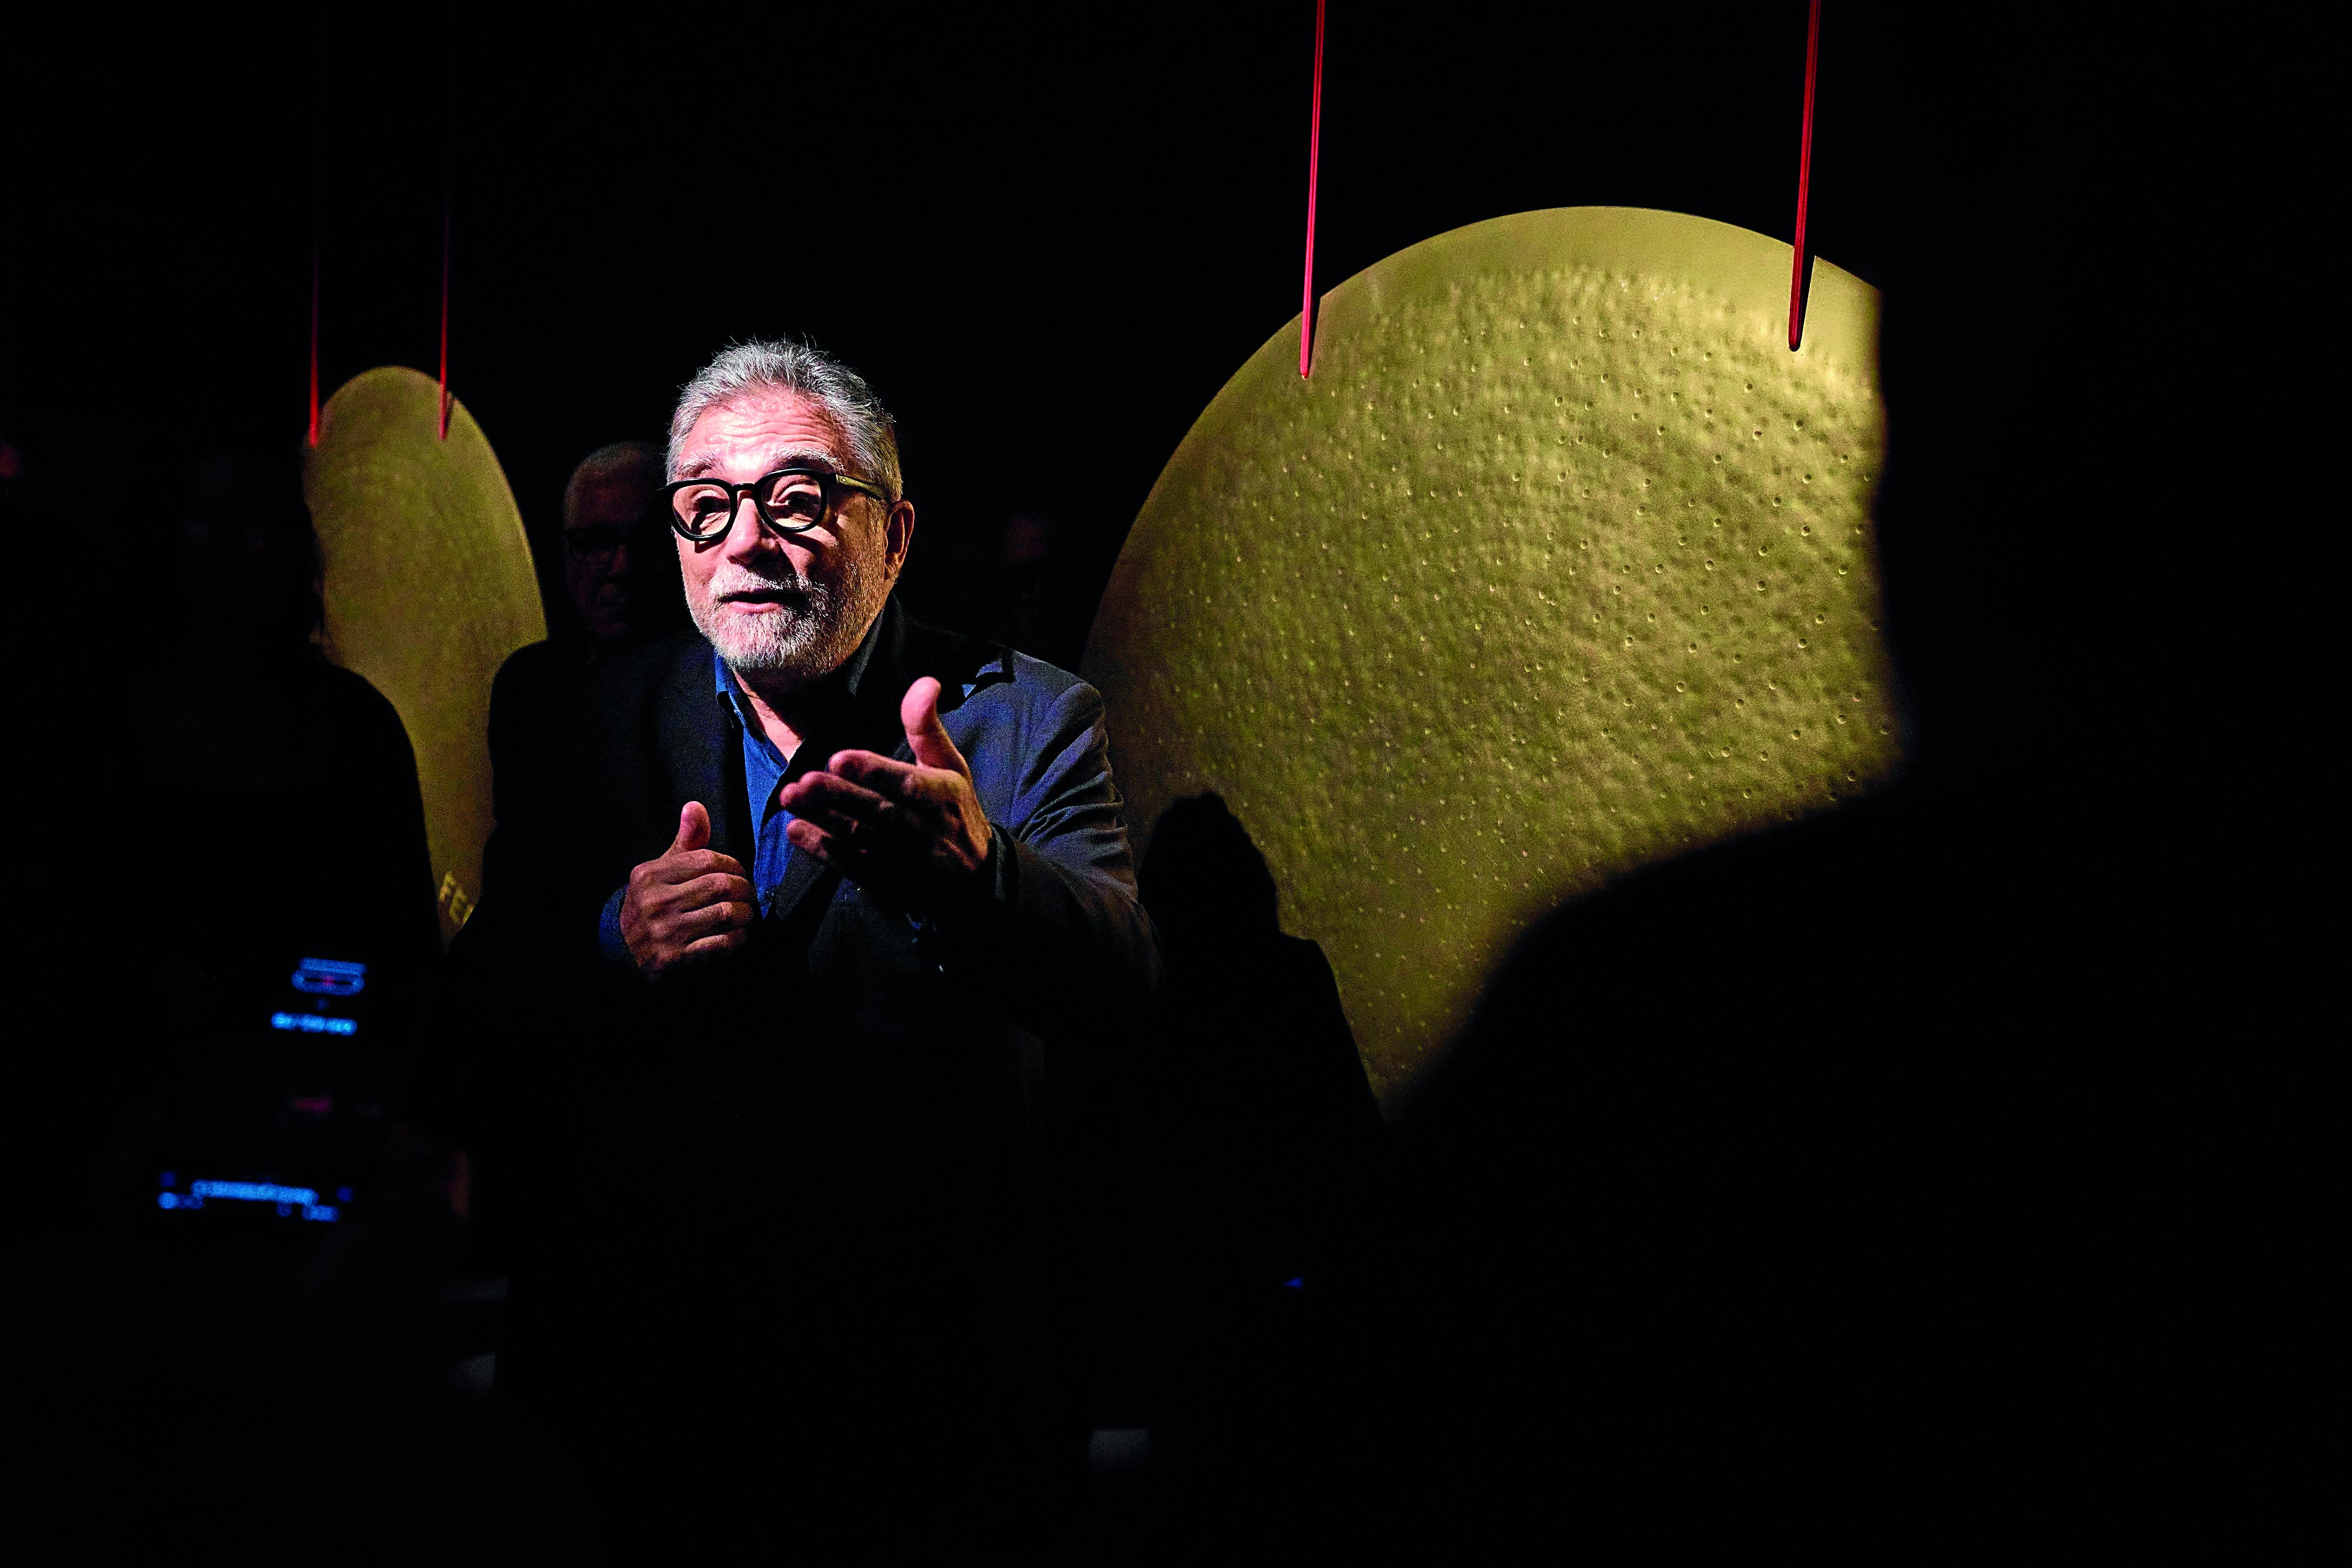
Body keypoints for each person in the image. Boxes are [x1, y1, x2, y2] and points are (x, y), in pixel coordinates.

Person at [451, 339, 1160, 1560]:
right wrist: (612, 939)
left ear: (895, 531)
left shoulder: (1024, 715)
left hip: (920, 1398)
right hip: (641, 1388)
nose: (747, 540)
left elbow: (1125, 980)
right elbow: (473, 1015)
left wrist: (982, 877)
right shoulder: (585, 714)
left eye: (796, 499)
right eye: (706, 506)